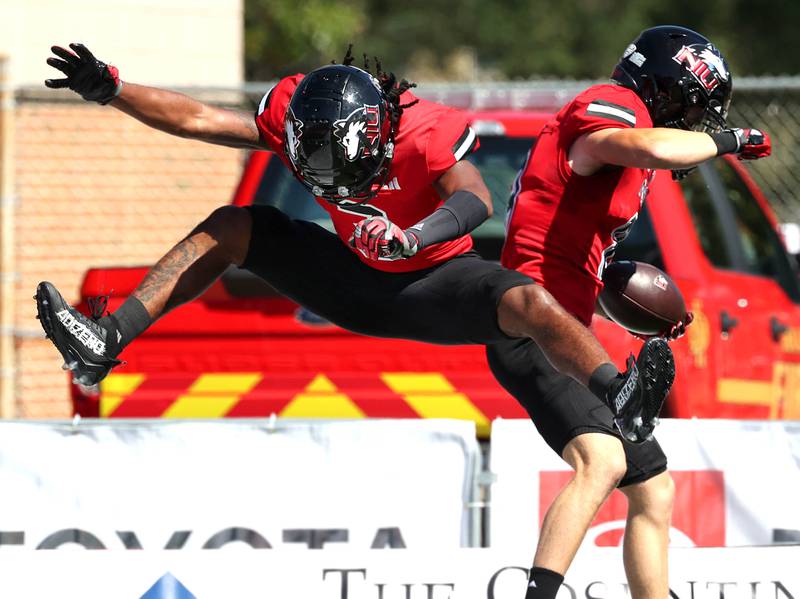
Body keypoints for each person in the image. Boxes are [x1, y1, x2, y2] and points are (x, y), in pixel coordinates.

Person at [35, 43, 673, 440]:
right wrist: (114, 91)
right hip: (350, 279)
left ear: (378, 139)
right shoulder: (297, 113)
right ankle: (106, 341)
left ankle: (618, 392)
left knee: (526, 302)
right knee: (233, 226)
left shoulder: (425, 129)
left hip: (429, 282)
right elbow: (202, 119)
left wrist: (410, 236)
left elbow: (475, 197)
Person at [485, 26, 771, 599]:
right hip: (535, 328)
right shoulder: (615, 107)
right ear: (669, 90)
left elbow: (580, 252)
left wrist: (636, 309)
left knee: (654, 489)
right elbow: (649, 146)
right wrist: (731, 139)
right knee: (603, 461)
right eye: (692, 108)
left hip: (564, 327)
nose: (690, 124)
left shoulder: (630, 130)